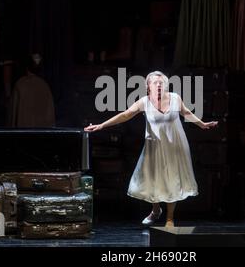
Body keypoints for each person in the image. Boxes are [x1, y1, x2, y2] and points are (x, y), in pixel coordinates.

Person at [84, 71, 218, 227]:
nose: (159, 85)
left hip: (175, 147)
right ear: (148, 86)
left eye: (162, 82)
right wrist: (101, 125)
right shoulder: (144, 102)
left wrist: (202, 124)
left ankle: (169, 218)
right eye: (155, 83)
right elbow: (125, 115)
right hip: (154, 146)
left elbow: (186, 112)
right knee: (153, 180)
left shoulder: (175, 99)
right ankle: (156, 210)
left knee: (172, 180)